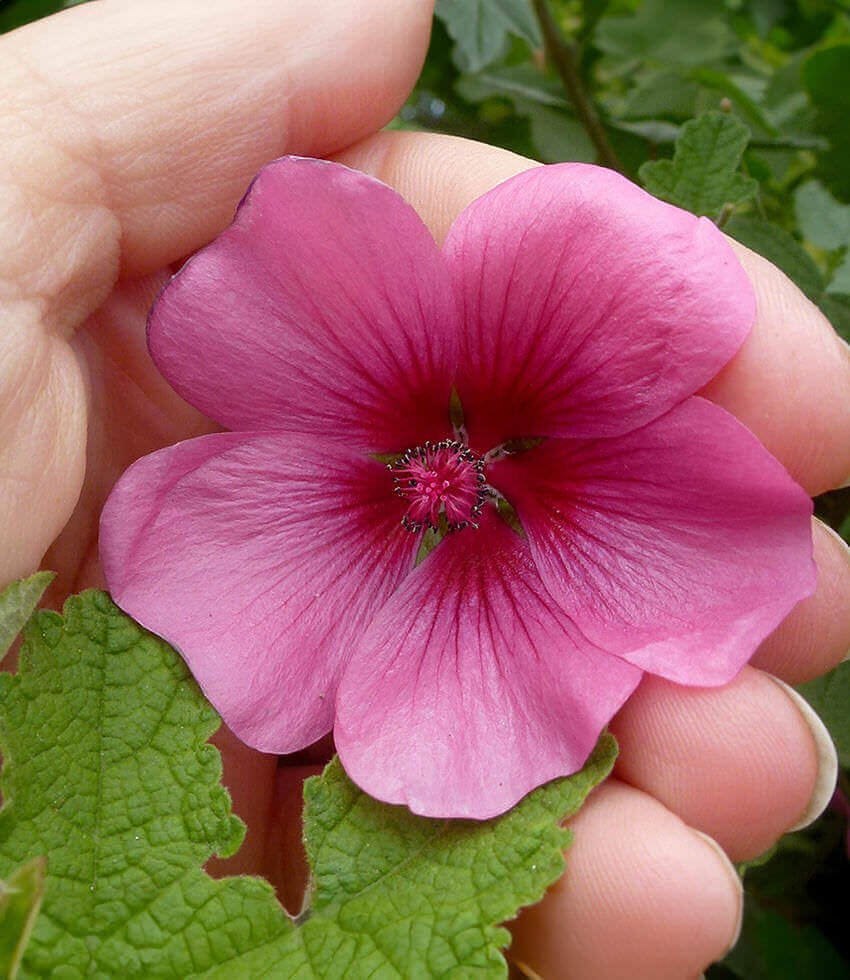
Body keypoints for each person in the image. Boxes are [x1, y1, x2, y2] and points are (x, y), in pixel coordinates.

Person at [1, 2, 848, 976]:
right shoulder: (309, 333)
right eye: (440, 470)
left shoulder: (599, 432)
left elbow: (718, 545)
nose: (444, 479)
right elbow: (243, 577)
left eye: (455, 474)